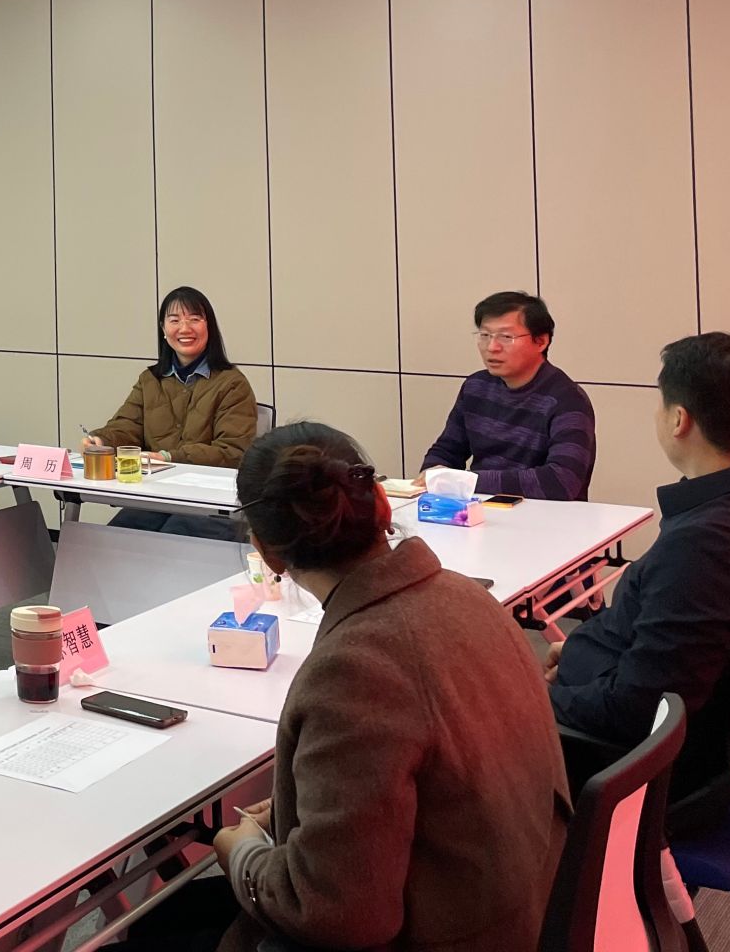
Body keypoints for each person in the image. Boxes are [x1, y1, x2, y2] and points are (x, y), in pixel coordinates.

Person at [129, 424, 570, 952]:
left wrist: (242, 855)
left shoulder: (355, 671)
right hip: (522, 904)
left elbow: (340, 915)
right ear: (381, 506)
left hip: (449, 931)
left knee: (151, 929)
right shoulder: (469, 598)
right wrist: (301, 807)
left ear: (265, 551)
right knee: (170, 918)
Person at [548, 332, 730, 825]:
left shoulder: (706, 546)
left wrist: (539, 697)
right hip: (706, 732)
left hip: (646, 771)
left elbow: (640, 712)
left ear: (679, 420)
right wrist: (579, 654)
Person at [90, 287, 259, 540]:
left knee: (169, 541)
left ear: (209, 327)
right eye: (174, 320)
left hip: (212, 501)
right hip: (157, 494)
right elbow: (127, 425)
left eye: (194, 319)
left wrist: (169, 457)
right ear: (163, 329)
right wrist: (102, 440)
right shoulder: (150, 379)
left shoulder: (232, 383)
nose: (184, 328)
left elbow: (233, 451)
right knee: (113, 539)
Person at [418, 290, 597, 499]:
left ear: (541, 341)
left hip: (544, 514)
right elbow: (447, 450)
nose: (492, 347)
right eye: (485, 335)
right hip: (482, 508)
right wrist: (432, 475)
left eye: (506, 337)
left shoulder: (567, 399)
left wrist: (467, 481)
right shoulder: (476, 386)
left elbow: (561, 482)